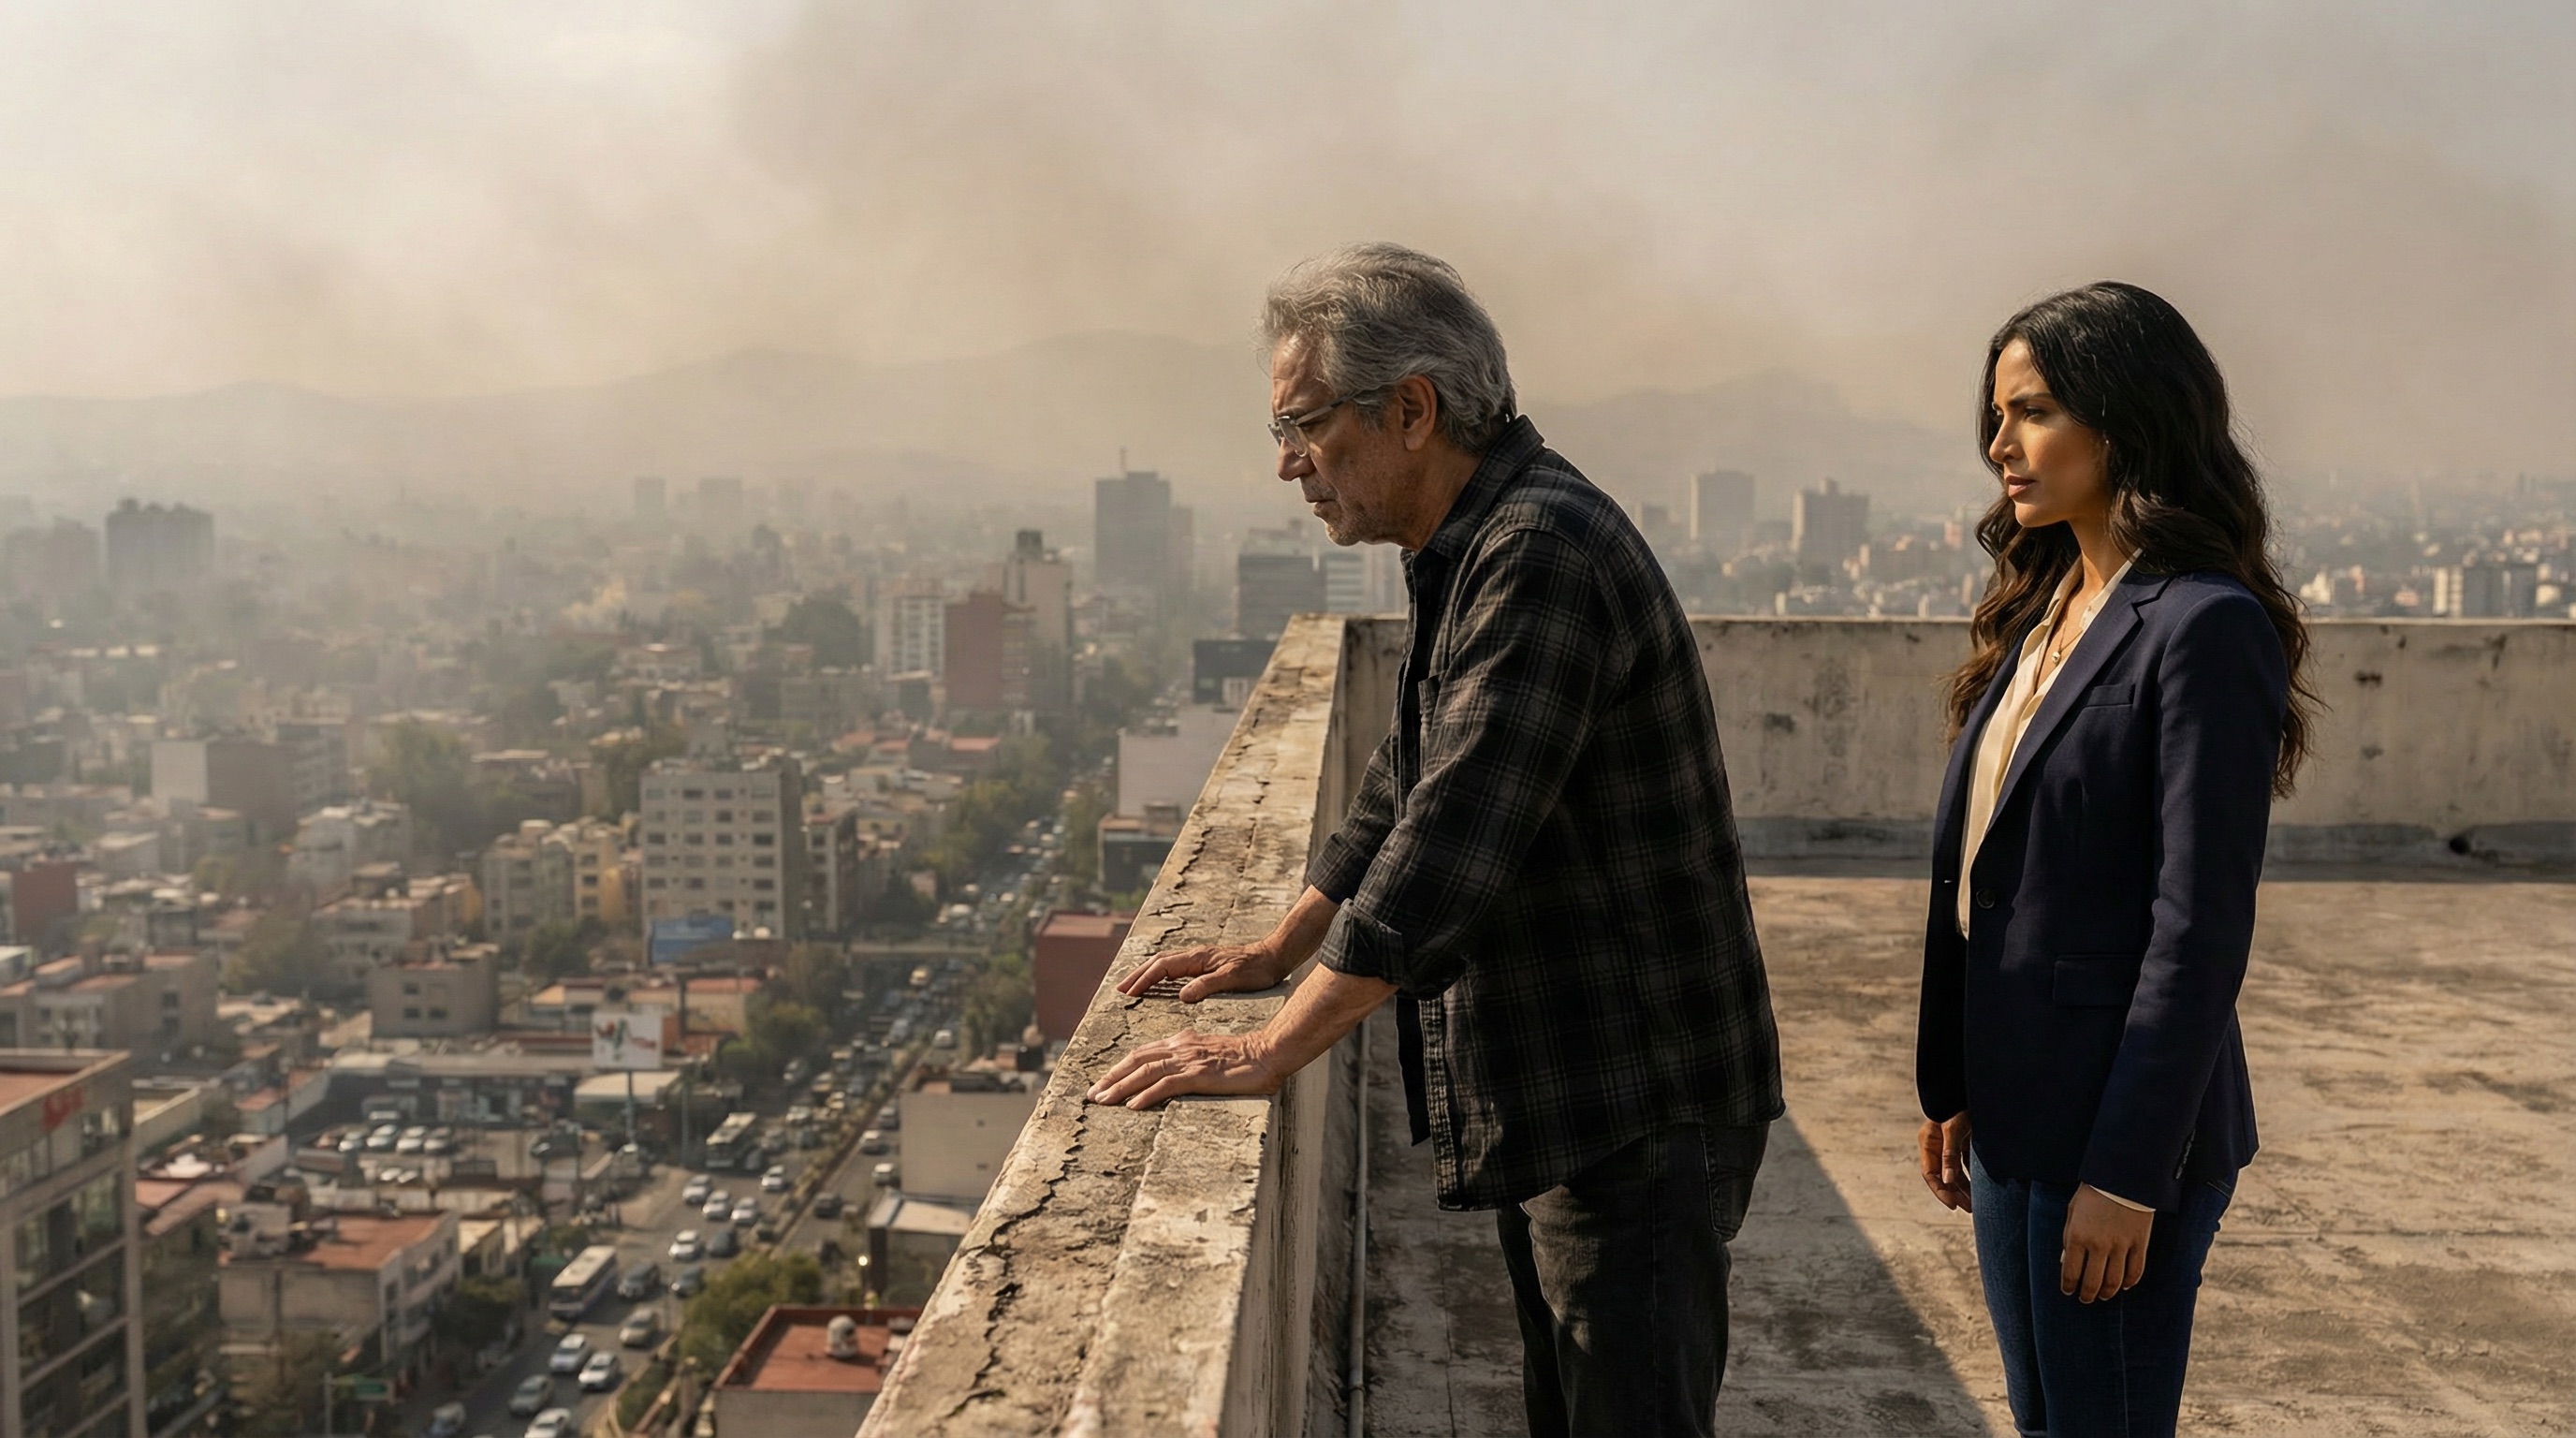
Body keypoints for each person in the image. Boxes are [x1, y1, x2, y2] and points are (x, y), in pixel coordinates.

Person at [1085, 242, 1782, 1437]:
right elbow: (1404, 774)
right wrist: (1280, 942)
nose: (1288, 466)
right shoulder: (1473, 542)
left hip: (1637, 1101)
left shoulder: (1538, 553)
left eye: (1306, 425)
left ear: (1411, 410)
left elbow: (1451, 838)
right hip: (1578, 1085)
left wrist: (1271, 1047)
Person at [1915, 282, 2317, 1436]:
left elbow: (2195, 930)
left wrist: (2129, 1174)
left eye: (2032, 411)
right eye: (1996, 415)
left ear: (2124, 417)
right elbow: (1986, 880)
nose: (1999, 445)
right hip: (2012, 1112)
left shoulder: (2202, 625)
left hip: (2118, 1134)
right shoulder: (2046, 608)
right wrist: (1955, 1080)